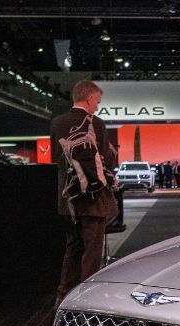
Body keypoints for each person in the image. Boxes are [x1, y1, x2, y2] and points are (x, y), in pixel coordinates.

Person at [52, 79, 117, 307]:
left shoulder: (57, 123)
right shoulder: (96, 123)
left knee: (72, 248)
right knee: (92, 252)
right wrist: (110, 153)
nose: (97, 107)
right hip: (93, 199)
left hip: (68, 200)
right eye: (97, 102)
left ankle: (63, 296)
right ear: (89, 99)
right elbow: (106, 160)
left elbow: (56, 160)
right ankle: (85, 300)